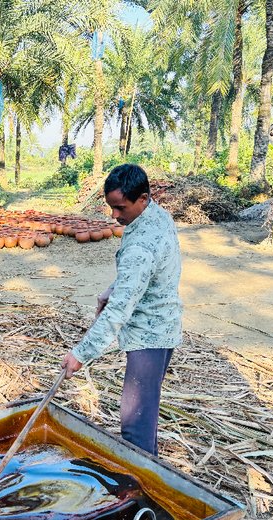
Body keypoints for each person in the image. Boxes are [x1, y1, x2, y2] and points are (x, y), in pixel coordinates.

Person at [61, 164, 182, 456]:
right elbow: (140, 276)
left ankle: (140, 494)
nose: (115, 215)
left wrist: (81, 354)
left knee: (135, 427)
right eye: (110, 207)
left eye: (120, 207)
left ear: (142, 198)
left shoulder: (140, 244)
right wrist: (112, 288)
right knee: (145, 420)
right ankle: (149, 473)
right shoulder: (155, 216)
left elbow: (118, 313)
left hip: (149, 336)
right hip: (164, 326)